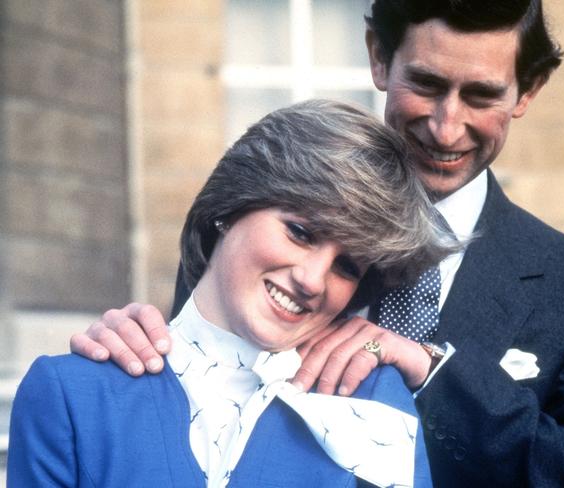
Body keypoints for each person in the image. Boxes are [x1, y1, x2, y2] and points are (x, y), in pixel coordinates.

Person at [70, 1, 564, 486]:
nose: (446, 127)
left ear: (528, 90)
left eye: (480, 96)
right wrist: (133, 355)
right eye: (425, 84)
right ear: (377, 56)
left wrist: (433, 373)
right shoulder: (262, 236)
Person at [8, 100, 456, 487]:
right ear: (231, 207)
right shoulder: (72, 393)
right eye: (300, 232)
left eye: (347, 266)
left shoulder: (372, 399)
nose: (314, 280)